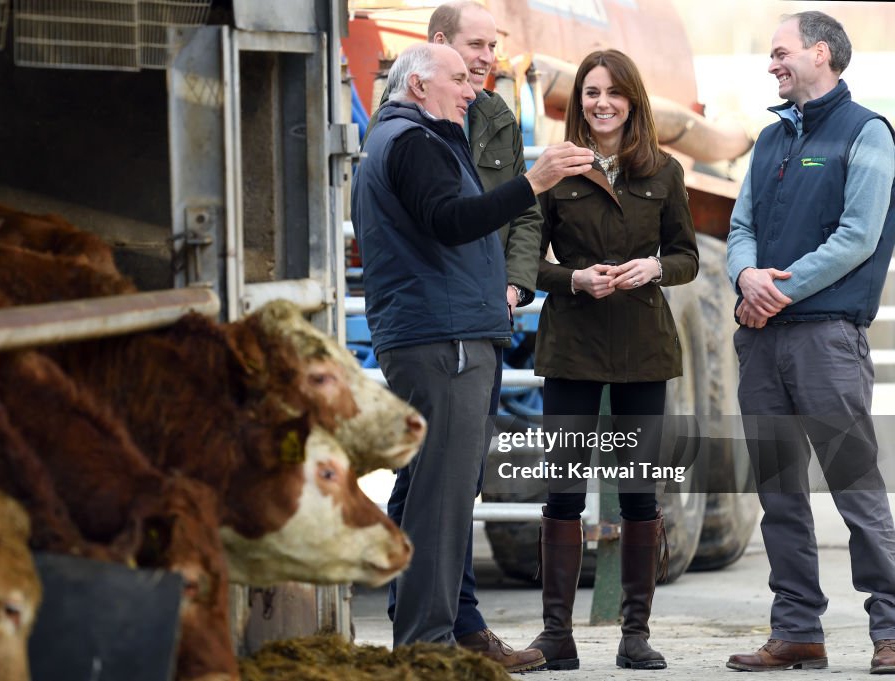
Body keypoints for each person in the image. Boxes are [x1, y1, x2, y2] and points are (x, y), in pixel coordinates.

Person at [350, 41, 594, 664]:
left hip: (440, 331)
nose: (471, 89)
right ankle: (428, 651)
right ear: (418, 85)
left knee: (432, 492)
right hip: (445, 338)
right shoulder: (413, 141)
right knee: (441, 499)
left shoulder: (405, 136)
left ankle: (425, 640)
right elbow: (452, 221)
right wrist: (533, 183)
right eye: (459, 78)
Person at [724, 11, 895, 674]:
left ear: (821, 53)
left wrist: (774, 289)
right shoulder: (770, 140)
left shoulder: (869, 133)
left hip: (825, 340)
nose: (772, 64)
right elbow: (741, 225)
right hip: (763, 345)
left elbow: (857, 237)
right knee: (778, 494)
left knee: (856, 489)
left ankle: (889, 628)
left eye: (780, 52)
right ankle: (797, 629)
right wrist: (744, 273)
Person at [525, 49, 698, 671]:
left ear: (633, 101)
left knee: (639, 492)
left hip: (643, 350)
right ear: (579, 102)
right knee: (563, 490)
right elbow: (529, 259)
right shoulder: (555, 169)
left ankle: (635, 634)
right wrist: (573, 280)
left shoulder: (663, 171)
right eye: (591, 92)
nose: (602, 103)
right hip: (571, 345)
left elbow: (687, 256)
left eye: (614, 93)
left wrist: (655, 266)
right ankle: (555, 635)